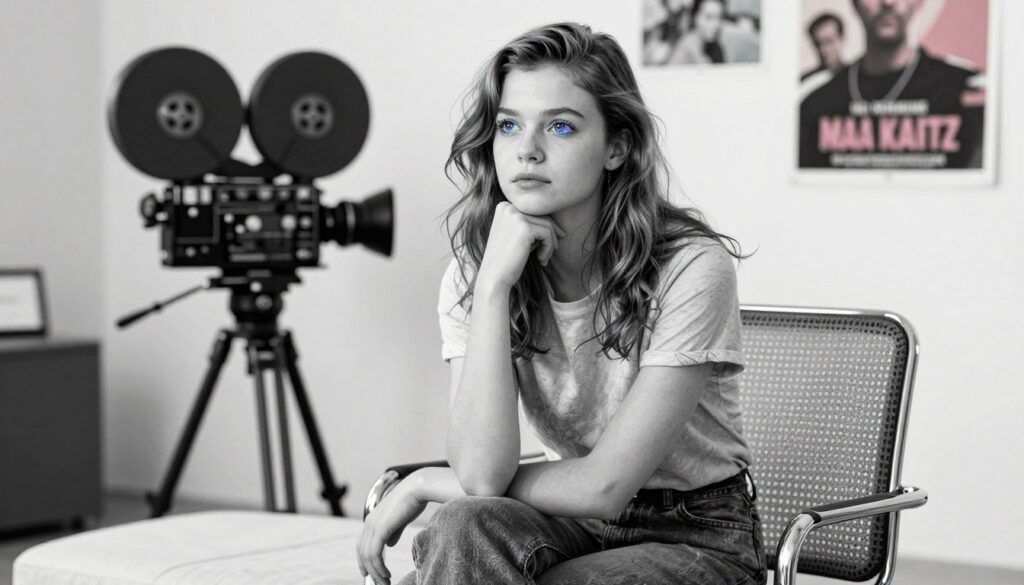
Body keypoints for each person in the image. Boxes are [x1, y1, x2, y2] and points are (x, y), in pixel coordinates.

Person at [357, 22, 766, 585]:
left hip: (695, 533)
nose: (526, 149)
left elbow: (604, 486)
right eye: (508, 125)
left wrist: (427, 481)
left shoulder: (691, 267)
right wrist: (496, 286)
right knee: (460, 531)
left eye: (561, 126)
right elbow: (479, 476)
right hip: (566, 518)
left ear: (616, 147)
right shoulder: (477, 274)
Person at [799, 0, 985, 169]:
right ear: (854, 4)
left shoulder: (967, 91)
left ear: (918, 3)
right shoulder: (815, 104)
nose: (888, 2)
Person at [801, 12, 847, 82]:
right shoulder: (805, 81)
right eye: (817, 44)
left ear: (842, 39)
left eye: (829, 41)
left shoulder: (854, 78)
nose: (823, 49)